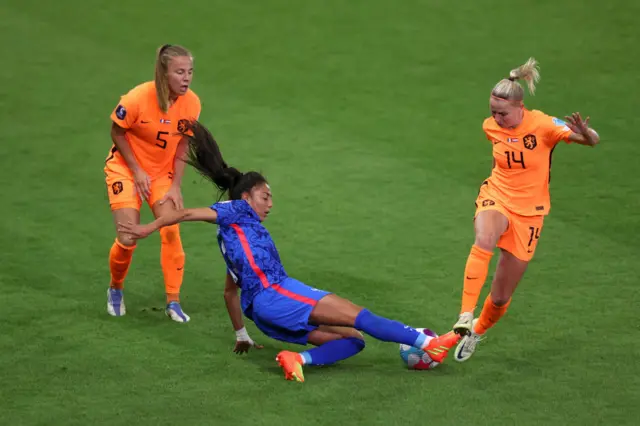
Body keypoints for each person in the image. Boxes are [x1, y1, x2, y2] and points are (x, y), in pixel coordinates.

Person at [118, 121, 459, 382]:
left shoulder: (233, 237)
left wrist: (242, 335)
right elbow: (184, 213)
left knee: (354, 340)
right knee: (361, 317)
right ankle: (428, 343)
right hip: (277, 293)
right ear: (246, 197)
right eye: (265, 196)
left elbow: (229, 291)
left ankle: (298, 360)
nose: (270, 204)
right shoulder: (236, 212)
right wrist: (147, 228)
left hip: (264, 315)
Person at [451, 58, 600, 362]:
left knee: (502, 295)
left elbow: (592, 142)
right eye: (493, 112)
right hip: (497, 196)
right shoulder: (490, 126)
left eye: (502, 113)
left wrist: (585, 132)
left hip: (529, 213)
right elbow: (499, 160)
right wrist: (493, 188)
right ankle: (465, 314)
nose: (496, 118)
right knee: (484, 239)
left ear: (520, 108)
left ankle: (477, 331)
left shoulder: (544, 125)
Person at [104, 44, 201, 323]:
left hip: (161, 175)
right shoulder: (136, 98)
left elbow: (184, 142)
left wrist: (175, 185)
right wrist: (136, 170)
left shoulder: (191, 103)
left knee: (171, 230)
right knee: (127, 235)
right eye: (180, 72)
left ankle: (174, 301)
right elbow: (117, 131)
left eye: (190, 72)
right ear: (163, 73)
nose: (186, 78)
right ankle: (116, 288)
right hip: (125, 169)